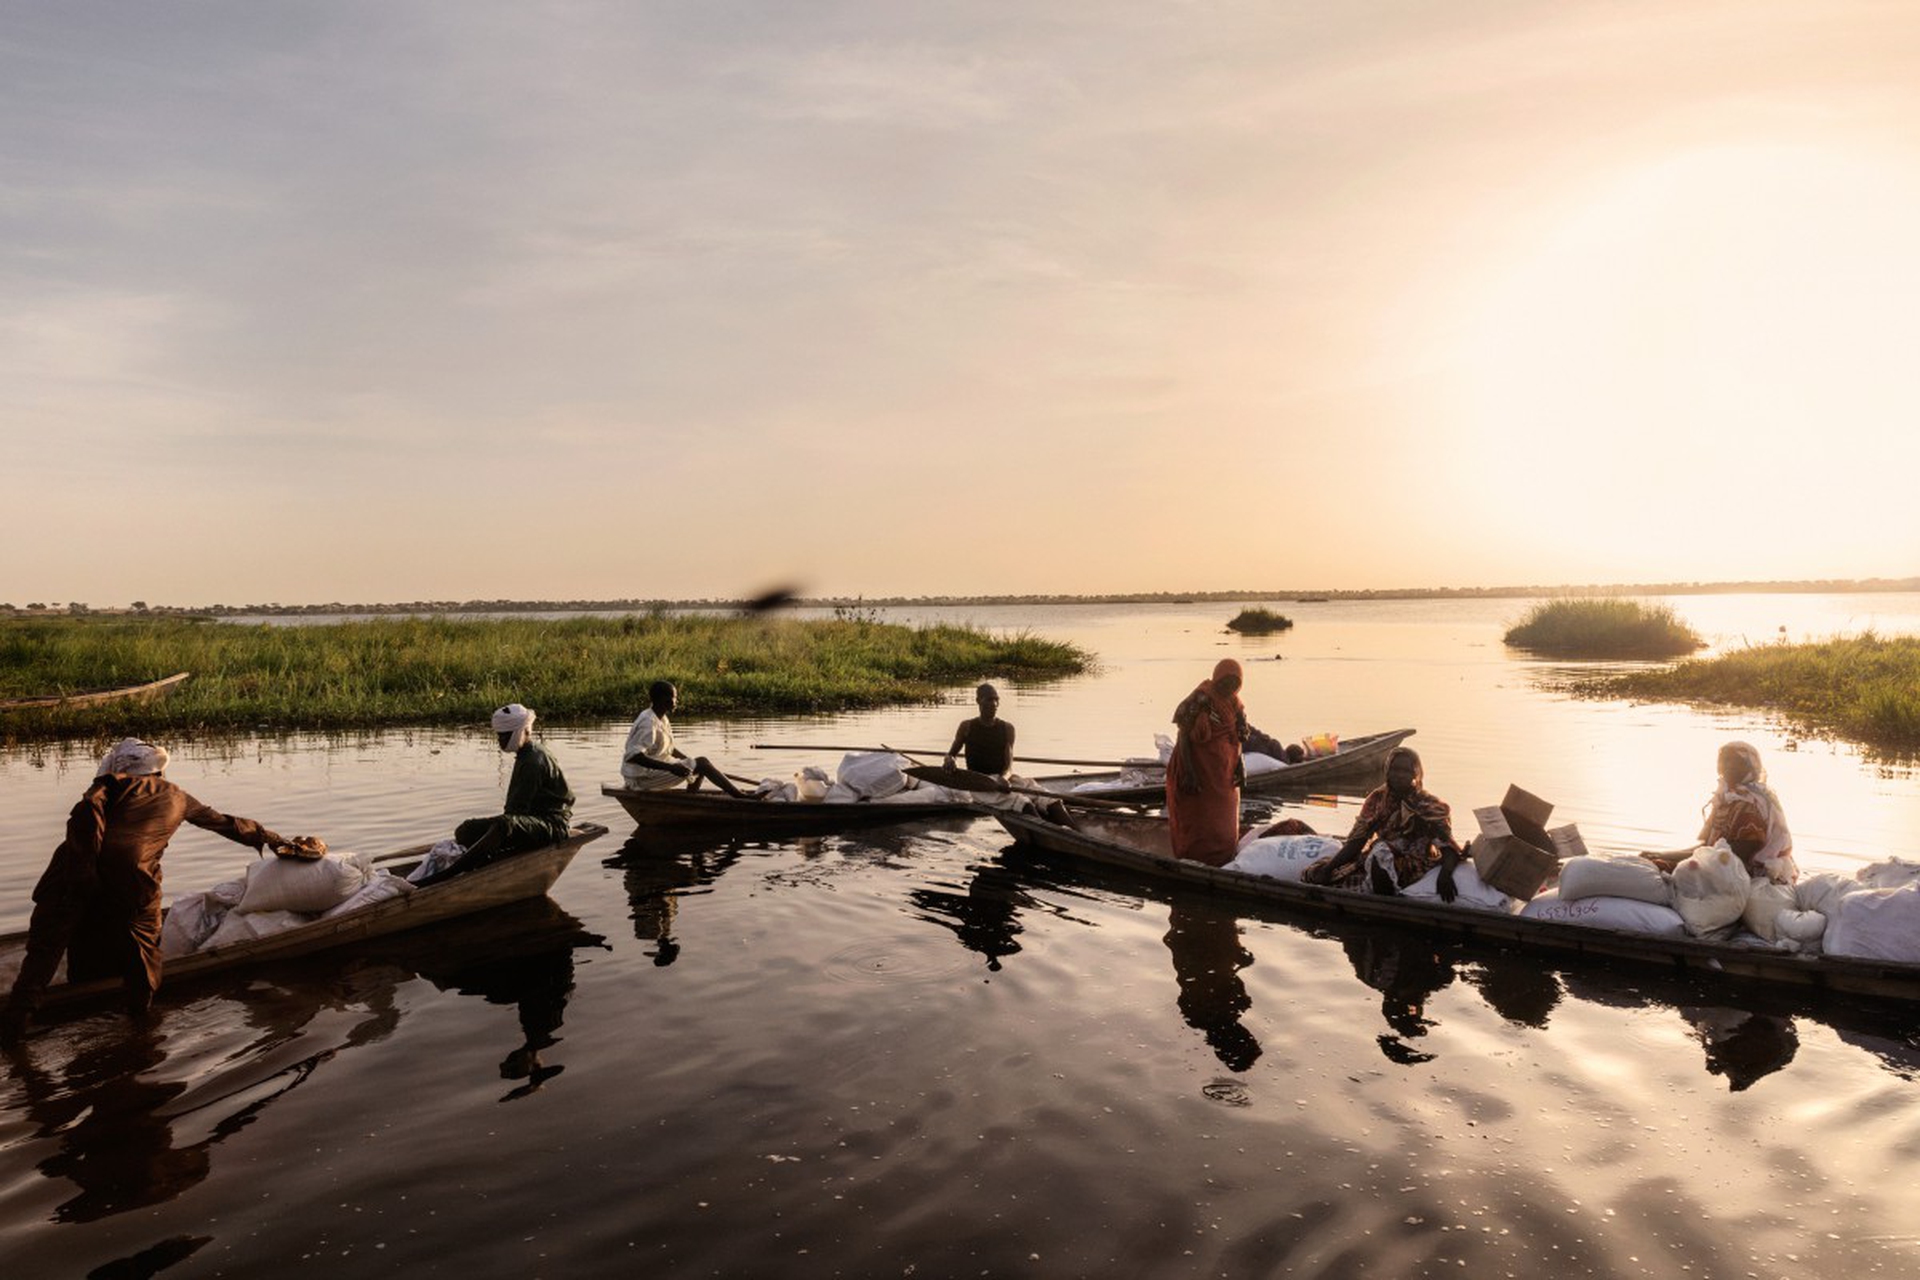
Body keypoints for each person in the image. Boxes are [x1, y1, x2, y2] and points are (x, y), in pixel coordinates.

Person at [2, 738, 288, 1041]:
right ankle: (140, 1025)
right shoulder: (176, 795)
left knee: (45, 950)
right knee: (144, 948)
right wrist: (274, 839)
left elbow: (87, 815)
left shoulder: (104, 788)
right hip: (132, 879)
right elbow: (227, 824)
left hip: (70, 875)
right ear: (156, 772)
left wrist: (86, 872)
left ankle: (16, 1025)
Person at [422, 704, 575, 887]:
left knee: (504, 825)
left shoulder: (533, 761)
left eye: (505, 735)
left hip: (552, 825)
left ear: (523, 731)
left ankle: (450, 873)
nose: (500, 740)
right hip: (532, 820)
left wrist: (496, 834)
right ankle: (477, 857)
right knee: (466, 830)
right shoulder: (526, 755)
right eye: (499, 735)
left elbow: (514, 813)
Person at [1299, 746, 1461, 901]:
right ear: (1387, 771)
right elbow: (1358, 840)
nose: (1399, 775)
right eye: (1395, 769)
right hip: (1379, 862)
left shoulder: (1429, 804)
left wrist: (1445, 875)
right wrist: (1329, 868)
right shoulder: (1377, 799)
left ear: (1415, 774)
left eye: (1405, 770)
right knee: (1316, 875)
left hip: (1414, 863)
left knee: (1381, 851)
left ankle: (1384, 901)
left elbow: (1448, 846)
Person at [1643, 741, 1796, 882]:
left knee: (1658, 868)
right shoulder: (1725, 799)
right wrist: (1663, 854)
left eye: (1736, 761)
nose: (1728, 765)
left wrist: (1673, 861)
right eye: (1724, 760)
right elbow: (1706, 846)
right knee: (1651, 862)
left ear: (1750, 766)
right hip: (1720, 865)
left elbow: (1733, 855)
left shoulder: (1751, 804)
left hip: (1742, 873)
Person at [1165, 659, 1249, 865]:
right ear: (1216, 677)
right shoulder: (1201, 698)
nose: (1228, 687)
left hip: (1223, 773)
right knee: (1197, 817)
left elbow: (1238, 738)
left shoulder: (1235, 704)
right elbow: (1183, 735)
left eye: (1233, 683)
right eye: (1224, 681)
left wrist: (1241, 765)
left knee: (1223, 819)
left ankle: (1221, 859)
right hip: (1197, 768)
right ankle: (1194, 858)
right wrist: (1189, 773)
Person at [620, 681, 748, 798]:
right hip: (640, 779)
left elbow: (669, 748)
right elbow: (634, 756)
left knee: (700, 764)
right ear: (662, 699)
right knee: (701, 763)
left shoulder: (661, 718)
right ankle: (738, 795)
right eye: (674, 697)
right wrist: (673, 768)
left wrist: (689, 761)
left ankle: (690, 800)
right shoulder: (648, 722)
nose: (677, 701)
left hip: (650, 773)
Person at [944, 683, 1015, 776]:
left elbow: (1008, 768)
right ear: (978, 701)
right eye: (989, 699)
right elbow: (951, 754)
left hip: (998, 780)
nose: (994, 704)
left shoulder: (1007, 728)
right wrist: (949, 760)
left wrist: (1003, 779)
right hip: (974, 779)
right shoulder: (966, 727)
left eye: (996, 700)